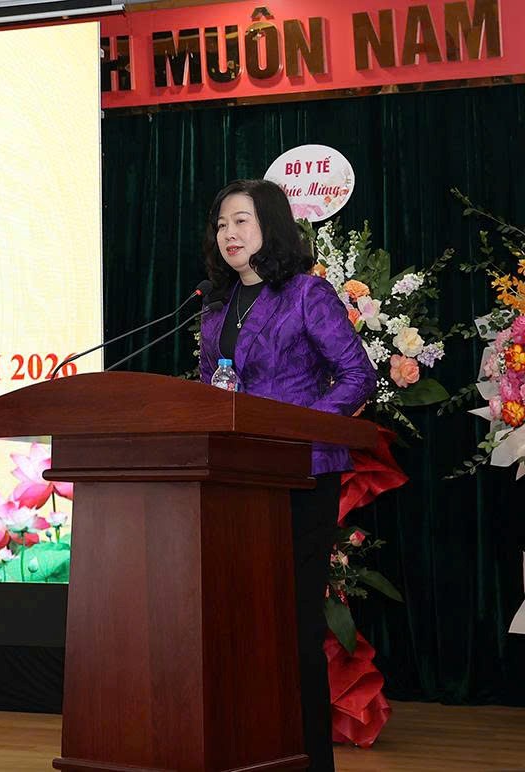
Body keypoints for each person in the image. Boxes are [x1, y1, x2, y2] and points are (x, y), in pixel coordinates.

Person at [198, 179, 377, 772]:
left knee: (293, 626)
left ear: (270, 225)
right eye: (221, 224)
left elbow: (357, 375)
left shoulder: (305, 294)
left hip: (300, 476)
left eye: (241, 221)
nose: (229, 234)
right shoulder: (215, 307)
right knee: (241, 625)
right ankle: (251, 751)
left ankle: (309, 761)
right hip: (235, 483)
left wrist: (294, 429)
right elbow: (212, 392)